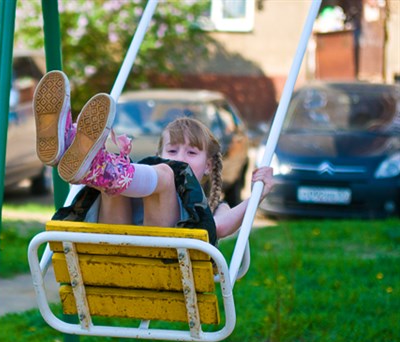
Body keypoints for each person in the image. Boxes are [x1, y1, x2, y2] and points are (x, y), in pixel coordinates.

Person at [34, 70, 274, 245]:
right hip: (115, 249)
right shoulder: (146, 183)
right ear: (160, 153)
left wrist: (257, 194)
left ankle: (96, 169)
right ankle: (83, 159)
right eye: (171, 152)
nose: (180, 158)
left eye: (191, 153)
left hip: (165, 260)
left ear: (209, 165)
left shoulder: (215, 208)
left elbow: (221, 225)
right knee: (118, 183)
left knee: (163, 174)